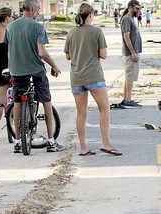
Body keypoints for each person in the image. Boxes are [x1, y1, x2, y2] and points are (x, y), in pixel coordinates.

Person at [4, 0, 63, 153]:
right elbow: (42, 52)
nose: (38, 11)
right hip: (36, 70)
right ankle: (51, 141)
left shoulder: (10, 27)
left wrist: (12, 66)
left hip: (16, 71)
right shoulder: (38, 27)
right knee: (46, 101)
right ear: (31, 9)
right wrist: (54, 66)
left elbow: (9, 51)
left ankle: (17, 141)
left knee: (17, 102)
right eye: (37, 9)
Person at [64, 3, 121, 157]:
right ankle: (105, 143)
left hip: (76, 77)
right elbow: (103, 54)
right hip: (93, 76)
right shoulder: (96, 31)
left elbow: (68, 56)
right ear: (90, 15)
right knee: (104, 109)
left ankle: (83, 148)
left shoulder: (71, 33)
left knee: (81, 114)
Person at [0, 6, 13, 141]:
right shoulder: (7, 32)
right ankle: (14, 132)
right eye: (11, 17)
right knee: (9, 101)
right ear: (6, 18)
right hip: (7, 70)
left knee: (0, 102)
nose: (12, 19)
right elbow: (11, 54)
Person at [119, 0, 142, 108]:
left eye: (140, 9)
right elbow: (126, 36)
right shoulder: (127, 19)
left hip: (133, 52)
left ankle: (126, 99)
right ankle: (128, 100)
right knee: (130, 77)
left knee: (129, 76)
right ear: (130, 7)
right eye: (137, 8)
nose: (139, 11)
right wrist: (133, 52)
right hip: (130, 53)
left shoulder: (131, 19)